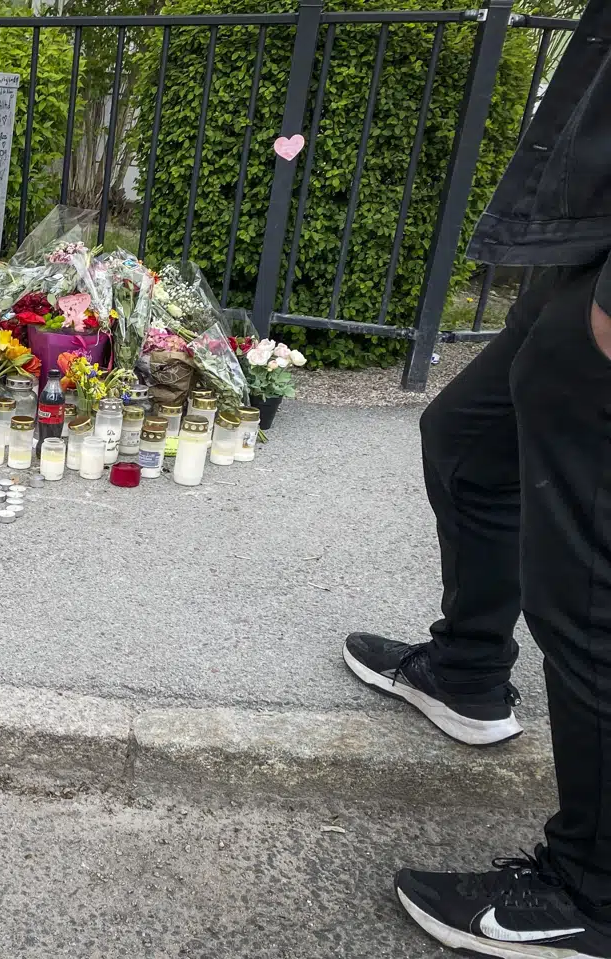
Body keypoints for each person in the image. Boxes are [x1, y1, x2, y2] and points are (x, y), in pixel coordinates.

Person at [341, 0, 611, 953]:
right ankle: (466, 673)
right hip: (586, 250)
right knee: (467, 440)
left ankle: (593, 890)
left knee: (584, 588)